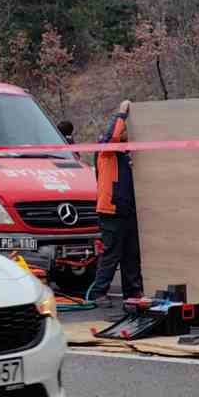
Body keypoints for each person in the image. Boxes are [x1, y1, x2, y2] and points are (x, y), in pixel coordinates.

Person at [87, 100, 143, 303]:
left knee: (131, 254)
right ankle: (98, 293)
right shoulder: (106, 150)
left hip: (127, 210)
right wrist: (121, 114)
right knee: (112, 254)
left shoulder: (125, 155)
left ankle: (133, 292)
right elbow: (113, 136)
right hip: (111, 211)